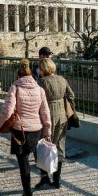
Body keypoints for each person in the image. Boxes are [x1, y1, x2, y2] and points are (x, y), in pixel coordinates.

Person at [0, 59, 51, 196]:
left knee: (24, 165)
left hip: (20, 131)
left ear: (18, 74)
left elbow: (7, 111)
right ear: (31, 74)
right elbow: (45, 112)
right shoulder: (40, 89)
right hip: (36, 129)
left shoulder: (15, 87)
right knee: (36, 158)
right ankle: (32, 190)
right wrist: (47, 130)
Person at [35, 57, 74, 189]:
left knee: (43, 147)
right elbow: (71, 95)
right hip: (62, 116)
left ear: (42, 69)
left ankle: (45, 177)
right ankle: (57, 180)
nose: (38, 70)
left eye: (39, 68)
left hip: (46, 117)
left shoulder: (41, 82)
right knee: (59, 146)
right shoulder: (62, 79)